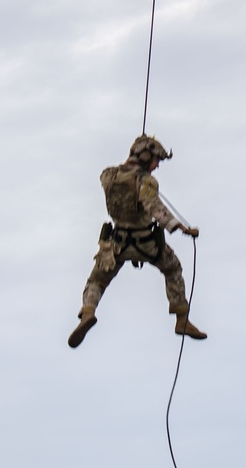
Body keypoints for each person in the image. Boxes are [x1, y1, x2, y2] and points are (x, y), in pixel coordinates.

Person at [69, 134, 206, 347]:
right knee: (173, 269)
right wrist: (180, 227)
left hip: (116, 245)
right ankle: (181, 320)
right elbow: (153, 206)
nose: (157, 166)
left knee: (96, 281)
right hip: (146, 243)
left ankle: (88, 311)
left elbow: (121, 183)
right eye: (156, 160)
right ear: (144, 156)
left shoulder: (108, 175)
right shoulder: (146, 181)